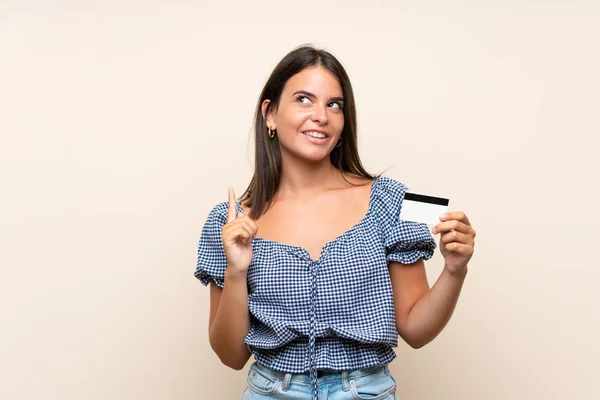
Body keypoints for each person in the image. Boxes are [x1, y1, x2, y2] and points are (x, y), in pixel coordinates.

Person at [194, 45, 476, 400]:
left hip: (366, 391)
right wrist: (236, 272)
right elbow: (230, 355)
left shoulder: (393, 199)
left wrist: (454, 270)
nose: (321, 116)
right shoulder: (229, 219)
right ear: (270, 113)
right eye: (303, 99)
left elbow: (416, 331)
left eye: (334, 104)